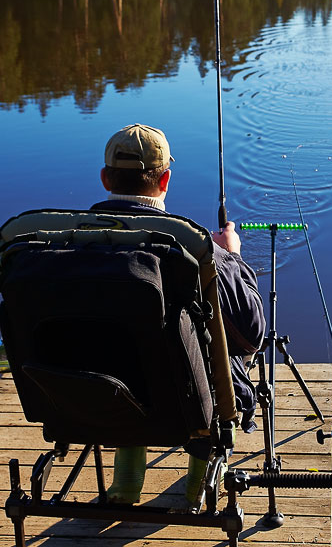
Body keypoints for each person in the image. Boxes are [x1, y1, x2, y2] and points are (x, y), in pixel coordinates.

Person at [92, 123, 266, 505]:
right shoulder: (195, 249)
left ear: (105, 178)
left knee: (125, 356)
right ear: (165, 179)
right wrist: (232, 257)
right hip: (188, 401)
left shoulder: (66, 245)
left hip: (95, 395)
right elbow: (251, 332)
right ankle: (195, 490)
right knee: (225, 355)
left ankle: (125, 484)